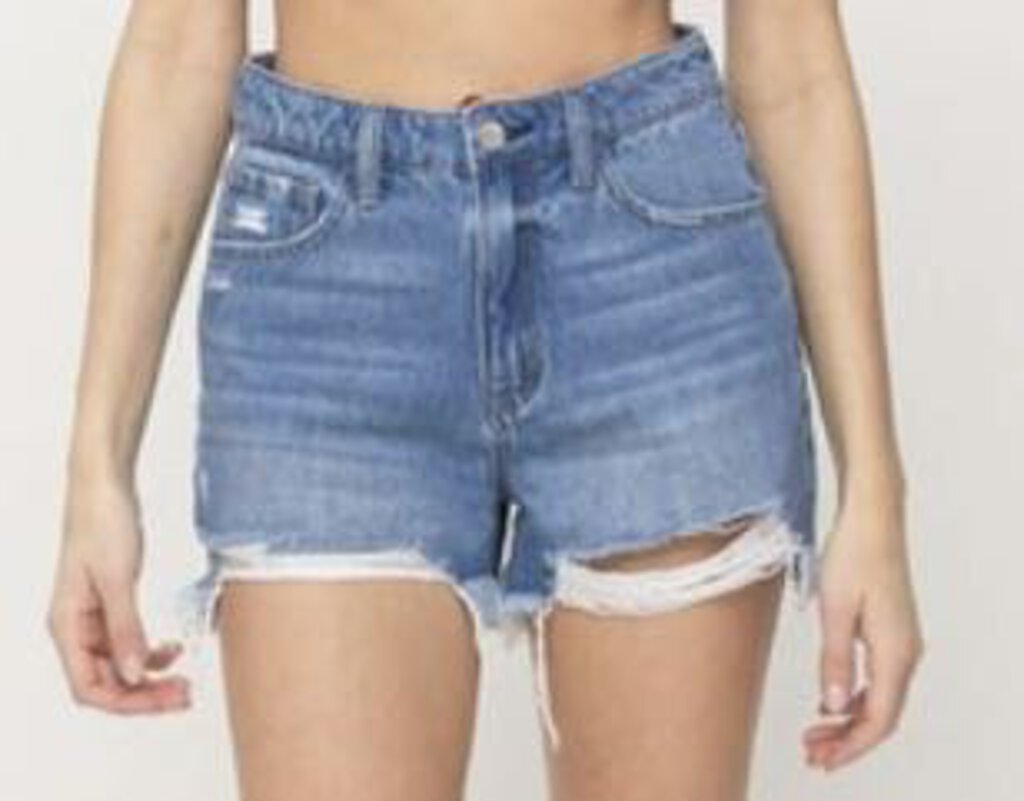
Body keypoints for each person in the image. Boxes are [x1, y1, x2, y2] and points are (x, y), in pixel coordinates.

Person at [47, 1, 924, 799]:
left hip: (648, 269)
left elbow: (796, 70)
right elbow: (177, 46)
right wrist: (97, 463)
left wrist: (875, 490)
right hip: (329, 299)